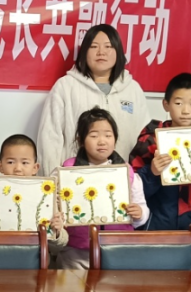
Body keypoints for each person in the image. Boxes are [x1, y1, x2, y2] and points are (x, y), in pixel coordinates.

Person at [38, 24, 149, 174]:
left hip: (121, 180)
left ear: (118, 52)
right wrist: (53, 180)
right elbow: (49, 138)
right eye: (94, 46)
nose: (101, 52)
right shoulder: (65, 86)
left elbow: (144, 138)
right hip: (75, 179)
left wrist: (137, 179)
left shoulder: (133, 89)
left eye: (108, 46)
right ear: (84, 52)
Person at [56, 108, 149, 271]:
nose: (102, 141)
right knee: (73, 287)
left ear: (115, 139)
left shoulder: (127, 172)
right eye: (94, 136)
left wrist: (139, 214)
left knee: (114, 287)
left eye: (108, 135)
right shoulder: (66, 171)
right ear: (80, 140)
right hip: (76, 254)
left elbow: (142, 208)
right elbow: (54, 207)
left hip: (118, 251)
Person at [129, 73, 191, 230]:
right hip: (155, 223)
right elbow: (132, 192)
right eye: (178, 103)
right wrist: (153, 173)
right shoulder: (150, 140)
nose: (186, 110)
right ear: (166, 104)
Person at [0, 135, 68, 247]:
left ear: (35, 168)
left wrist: (57, 231)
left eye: (25, 163)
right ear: (0, 166)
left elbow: (58, 246)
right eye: (10, 162)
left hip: (33, 254)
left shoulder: (46, 196)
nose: (18, 169)